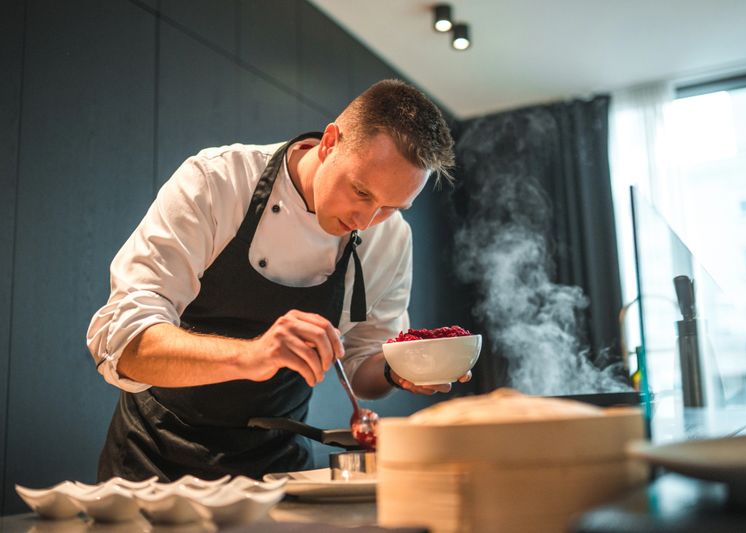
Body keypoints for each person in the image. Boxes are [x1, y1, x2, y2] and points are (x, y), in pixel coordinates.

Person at [86, 79, 467, 482]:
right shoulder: (217, 182)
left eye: (392, 207)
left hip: (276, 468)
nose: (366, 220)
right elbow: (124, 343)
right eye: (360, 191)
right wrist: (254, 355)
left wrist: (400, 370)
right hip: (155, 456)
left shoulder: (390, 239)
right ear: (329, 142)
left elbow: (361, 366)